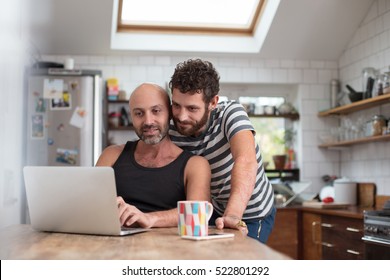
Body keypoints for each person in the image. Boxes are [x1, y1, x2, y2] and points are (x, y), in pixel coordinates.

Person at [168, 58, 276, 243]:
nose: (182, 116)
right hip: (214, 210)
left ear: (213, 102)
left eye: (192, 108)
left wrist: (233, 215)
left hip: (253, 212)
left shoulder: (230, 114)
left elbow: (246, 160)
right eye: (176, 105)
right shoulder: (172, 127)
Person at [96, 82, 211, 228]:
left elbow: (199, 213)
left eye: (156, 111)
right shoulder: (111, 155)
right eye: (139, 113)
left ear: (170, 113)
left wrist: (149, 219)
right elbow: (90, 204)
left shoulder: (195, 165)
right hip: (116, 246)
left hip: (172, 248)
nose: (148, 121)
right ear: (131, 116)